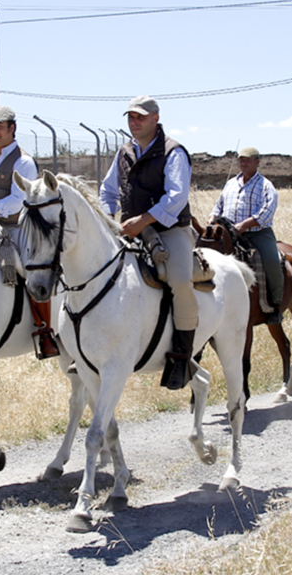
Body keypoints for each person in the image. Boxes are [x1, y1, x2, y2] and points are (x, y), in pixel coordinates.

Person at [99, 96, 197, 390]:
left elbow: (176, 197)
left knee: (179, 280)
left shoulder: (173, 151)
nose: (134, 122)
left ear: (156, 118)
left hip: (168, 229)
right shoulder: (124, 152)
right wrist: (107, 221)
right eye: (130, 117)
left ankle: (181, 357)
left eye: (140, 117)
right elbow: (107, 191)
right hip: (129, 228)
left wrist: (143, 220)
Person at [0, 105, 59, 359]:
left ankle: (44, 331)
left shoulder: (23, 161)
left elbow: (17, 202)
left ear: (12, 128)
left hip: (16, 230)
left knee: (28, 270)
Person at [209, 147, 283, 324]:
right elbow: (218, 205)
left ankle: (275, 304)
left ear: (257, 162)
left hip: (257, 234)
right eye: (241, 159)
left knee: (272, 261)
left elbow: (266, 212)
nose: (243, 163)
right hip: (229, 233)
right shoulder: (231, 183)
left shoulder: (266, 185)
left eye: (248, 160)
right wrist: (211, 220)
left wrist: (243, 225)